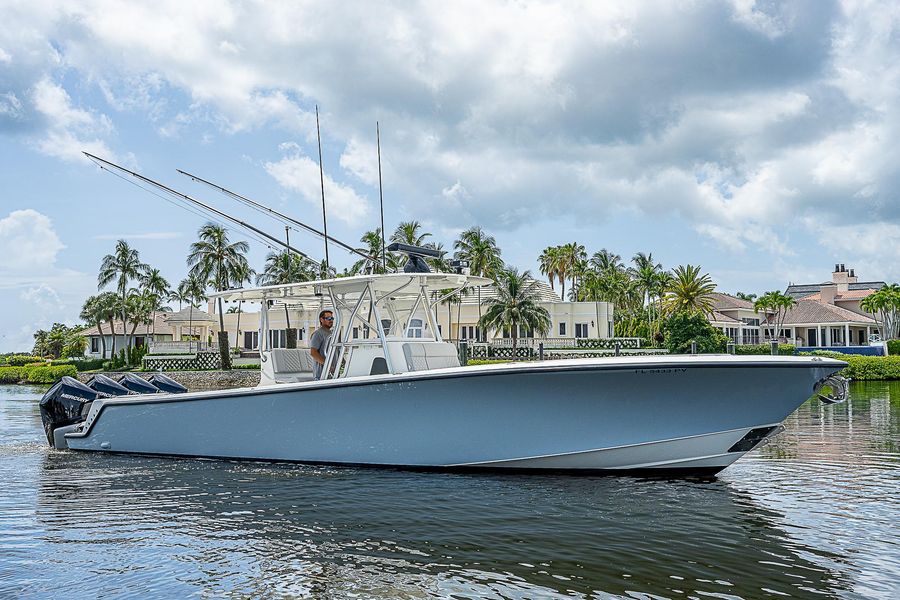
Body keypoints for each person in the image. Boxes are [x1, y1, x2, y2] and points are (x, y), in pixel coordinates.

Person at [309, 309, 334, 380]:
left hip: (333, 375)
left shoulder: (333, 334)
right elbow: (313, 353)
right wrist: (327, 365)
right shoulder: (318, 334)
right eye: (328, 318)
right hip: (322, 375)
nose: (331, 320)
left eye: (332, 318)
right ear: (321, 320)